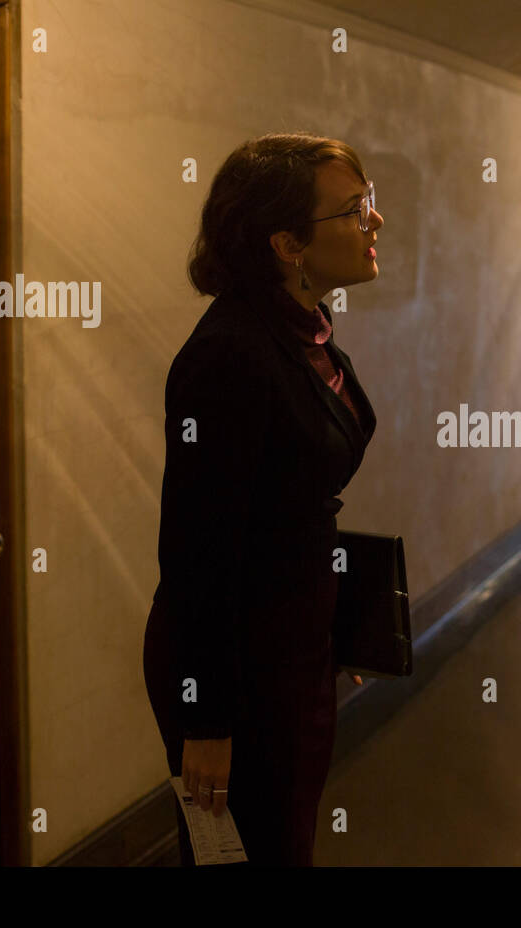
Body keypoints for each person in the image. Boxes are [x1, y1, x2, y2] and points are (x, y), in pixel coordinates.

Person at [142, 133, 383, 865]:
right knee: (254, 852)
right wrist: (206, 722)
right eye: (355, 208)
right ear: (288, 243)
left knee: (286, 841)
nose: (376, 222)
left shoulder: (305, 330)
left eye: (371, 202)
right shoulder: (230, 355)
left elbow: (291, 503)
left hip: (293, 650)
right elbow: (198, 555)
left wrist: (342, 621)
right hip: (238, 674)